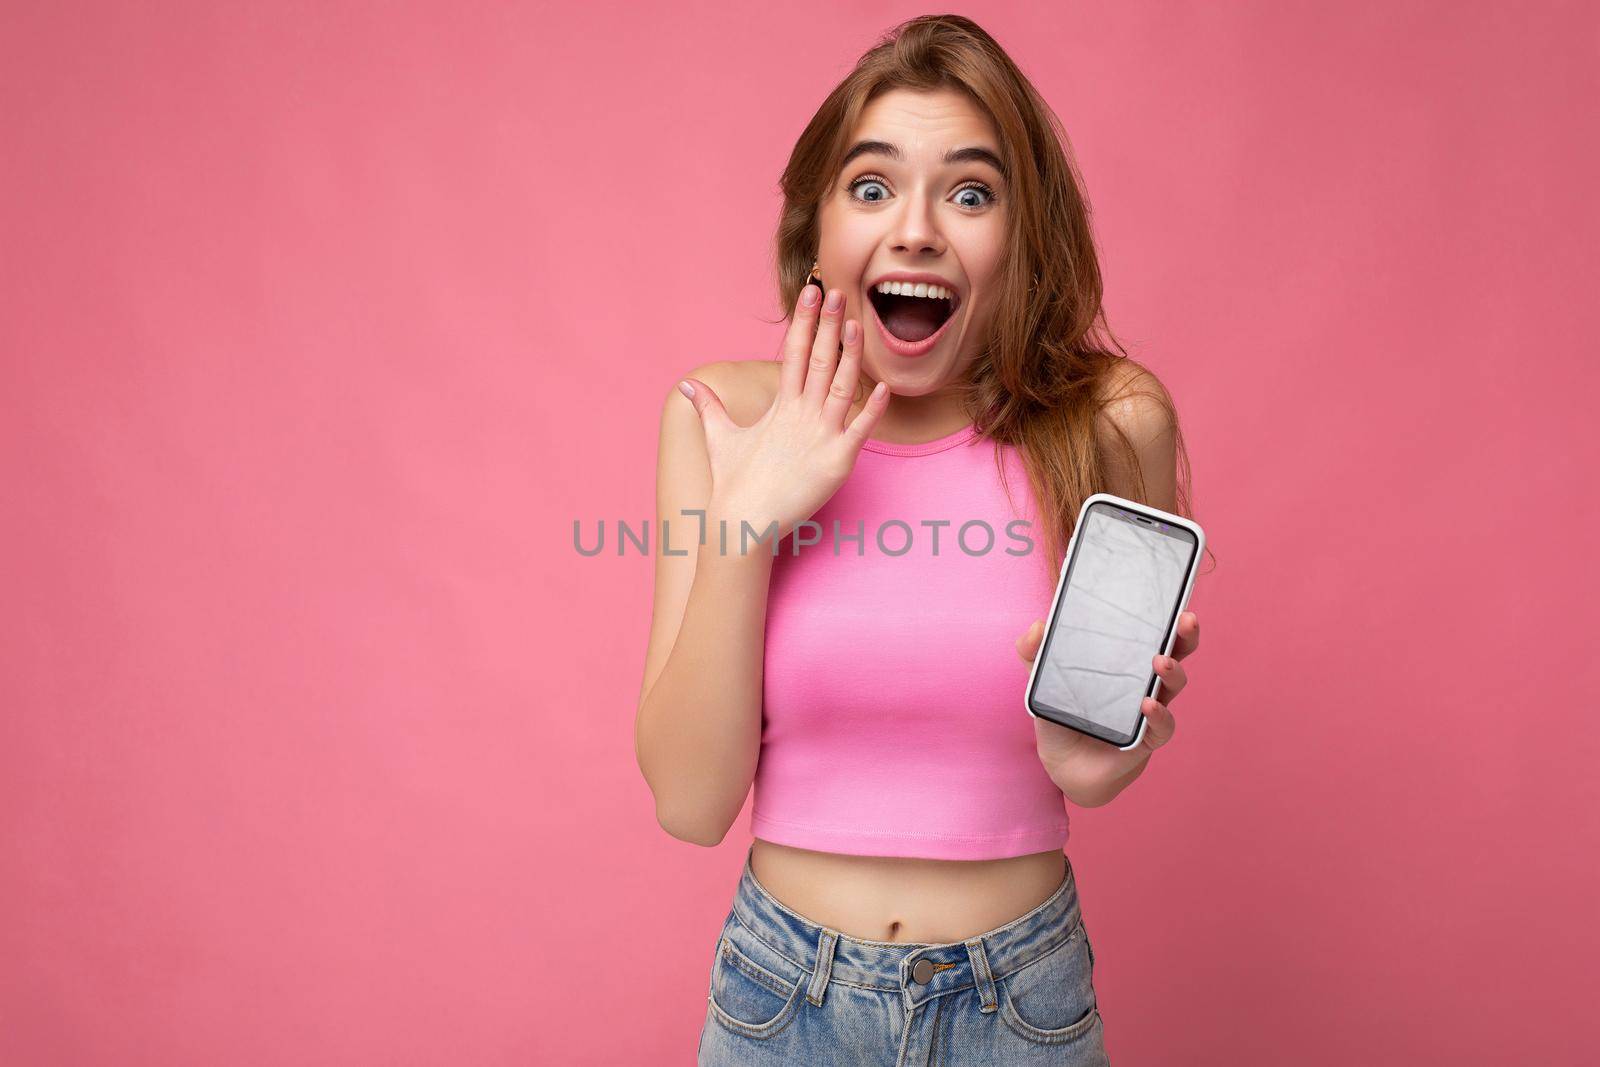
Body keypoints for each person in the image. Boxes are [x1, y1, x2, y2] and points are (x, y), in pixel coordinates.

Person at [635, 15, 1207, 1065]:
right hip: (779, 1001)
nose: (914, 230)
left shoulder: (1112, 421)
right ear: (816, 230)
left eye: (971, 192)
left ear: (1024, 238)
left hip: (1021, 1003)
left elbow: (1087, 775)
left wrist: (1101, 754)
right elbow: (689, 799)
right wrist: (749, 520)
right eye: (871, 186)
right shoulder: (721, 417)